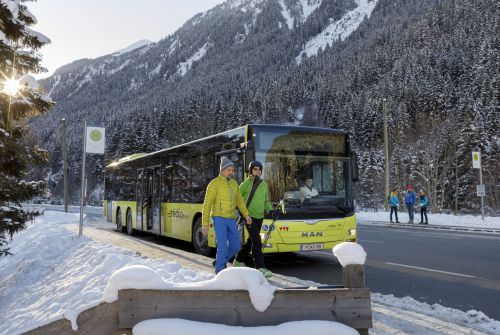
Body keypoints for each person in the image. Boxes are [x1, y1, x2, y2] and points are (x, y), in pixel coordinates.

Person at [202, 157, 252, 274]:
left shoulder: (234, 184)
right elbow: (207, 204)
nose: (231, 172)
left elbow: (240, 201)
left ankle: (219, 261)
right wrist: (204, 224)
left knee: (235, 246)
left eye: (233, 170)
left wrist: (246, 215)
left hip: (231, 218)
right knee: (222, 246)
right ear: (222, 170)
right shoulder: (214, 184)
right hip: (218, 218)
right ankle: (220, 271)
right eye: (229, 170)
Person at [233, 161, 274, 278]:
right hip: (249, 217)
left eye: (259, 169)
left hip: (260, 217)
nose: (257, 171)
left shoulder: (263, 184)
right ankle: (260, 267)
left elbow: (266, 201)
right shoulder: (246, 184)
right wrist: (244, 214)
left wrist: (271, 211)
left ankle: (239, 260)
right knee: (257, 240)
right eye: (255, 169)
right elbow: (237, 199)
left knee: (251, 240)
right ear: (251, 170)